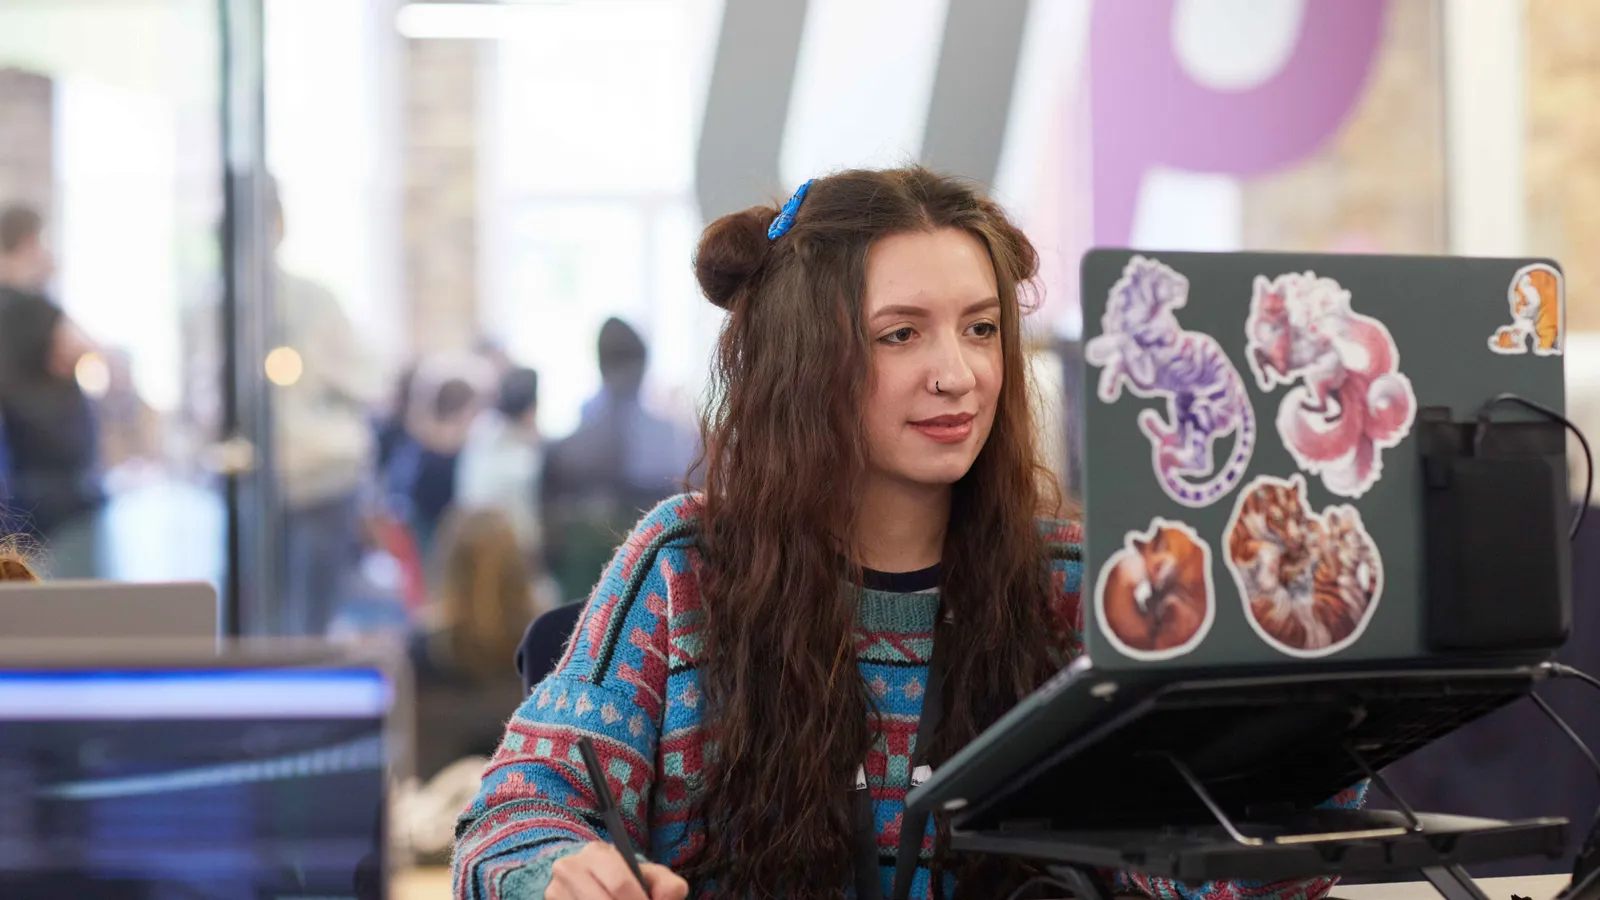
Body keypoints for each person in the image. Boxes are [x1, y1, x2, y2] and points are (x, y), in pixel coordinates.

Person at [453, 167, 1364, 899]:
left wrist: (1316, 722)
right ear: (804, 361)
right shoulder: (686, 568)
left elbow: (1212, 878)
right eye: (901, 335)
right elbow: (511, 821)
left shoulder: (1090, 588)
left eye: (981, 328)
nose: (958, 373)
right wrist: (560, 870)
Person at [267, 177, 386, 635]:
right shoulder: (220, 304)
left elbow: (362, 378)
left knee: (310, 623)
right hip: (259, 484)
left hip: (322, 479)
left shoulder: (316, 301)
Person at [540, 317, 696, 601]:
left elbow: (550, 545)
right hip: (655, 598)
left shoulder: (566, 451)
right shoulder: (676, 443)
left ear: (600, 364)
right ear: (644, 365)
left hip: (583, 604)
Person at [409, 506, 553, 781]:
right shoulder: (553, 656)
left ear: (448, 572)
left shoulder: (417, 661)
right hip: (528, 802)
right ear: (523, 573)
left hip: (438, 803)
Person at [0, 204, 102, 577]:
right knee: (71, 598)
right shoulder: (32, 307)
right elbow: (86, 350)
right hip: (57, 491)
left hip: (18, 482)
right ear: (31, 243)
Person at [456, 366, 547, 565]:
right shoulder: (524, 460)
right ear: (531, 408)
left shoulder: (481, 429)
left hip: (471, 540)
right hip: (507, 551)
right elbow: (527, 530)